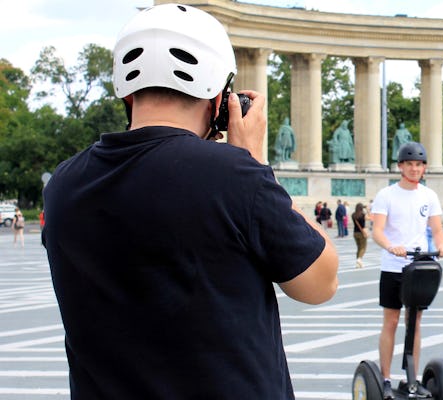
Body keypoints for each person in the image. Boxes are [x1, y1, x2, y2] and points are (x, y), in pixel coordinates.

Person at [41, 4, 340, 398]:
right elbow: (320, 283)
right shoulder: (234, 175)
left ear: (127, 93)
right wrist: (255, 163)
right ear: (220, 97)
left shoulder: (63, 184)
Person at [370, 141, 443, 398]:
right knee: (392, 320)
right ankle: (385, 377)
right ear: (401, 167)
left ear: (424, 167)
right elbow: (378, 231)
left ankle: (412, 377)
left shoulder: (429, 196)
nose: (415, 169)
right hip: (394, 266)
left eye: (418, 164)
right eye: (410, 164)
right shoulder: (387, 195)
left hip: (419, 266)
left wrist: (442, 246)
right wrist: (390, 246)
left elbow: (437, 230)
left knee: (415, 322)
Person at [352, 203, 368, 268]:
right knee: (363, 247)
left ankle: (358, 263)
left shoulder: (353, 215)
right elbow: (371, 217)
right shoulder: (363, 215)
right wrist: (367, 209)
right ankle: (359, 259)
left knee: (358, 247)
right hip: (362, 232)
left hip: (355, 233)